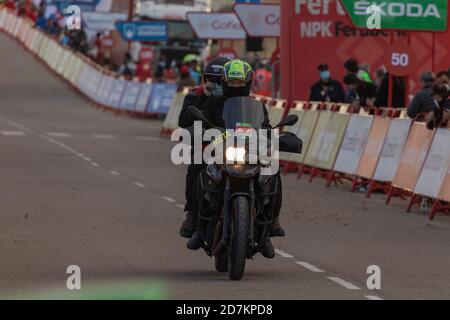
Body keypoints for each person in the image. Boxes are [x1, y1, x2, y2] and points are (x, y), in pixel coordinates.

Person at [187, 59, 284, 259]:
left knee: (273, 171)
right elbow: (202, 123)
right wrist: (201, 132)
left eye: (240, 83)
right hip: (220, 152)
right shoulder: (213, 103)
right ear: (224, 82)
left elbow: (264, 128)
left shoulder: (257, 106)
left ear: (248, 83)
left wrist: (273, 138)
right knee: (197, 169)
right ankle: (195, 223)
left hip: (250, 154)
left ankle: (271, 223)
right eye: (233, 82)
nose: (236, 87)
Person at [178, 57, 231, 239]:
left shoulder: (237, 99)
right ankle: (192, 215)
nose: (214, 84)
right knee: (195, 169)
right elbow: (183, 122)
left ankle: (270, 221)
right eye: (210, 79)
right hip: (207, 147)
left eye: (219, 81)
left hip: (236, 148)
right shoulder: (196, 96)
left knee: (268, 170)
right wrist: (203, 97)